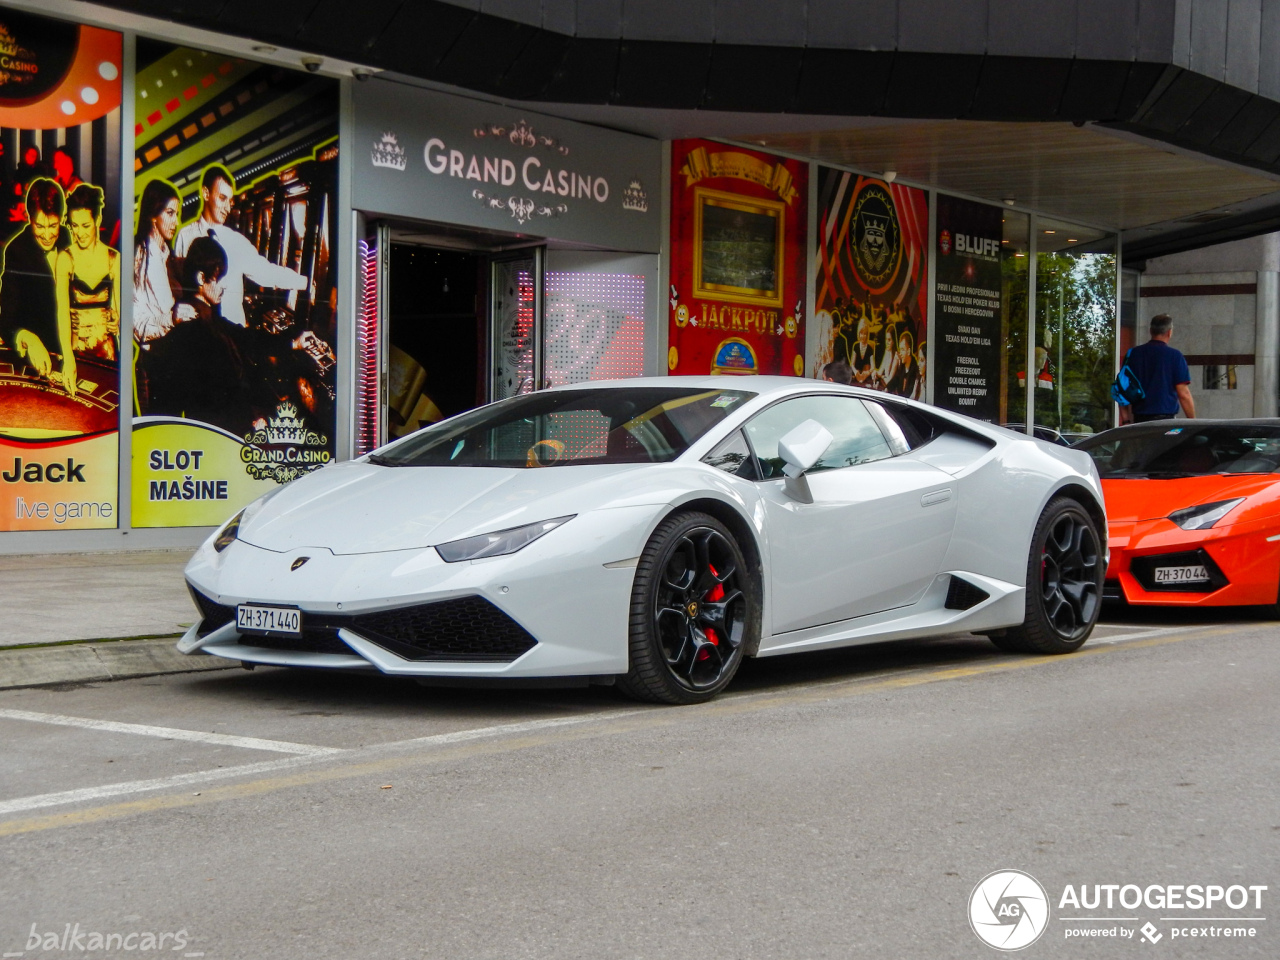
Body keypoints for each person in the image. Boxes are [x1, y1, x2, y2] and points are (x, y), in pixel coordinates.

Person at [173, 165, 306, 328]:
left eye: (230, 201)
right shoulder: (184, 236)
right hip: (203, 333)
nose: (227, 208)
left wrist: (304, 283)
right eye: (222, 198)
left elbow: (267, 273)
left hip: (235, 337)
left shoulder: (235, 240)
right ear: (206, 194)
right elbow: (179, 287)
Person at [0, 179, 73, 387]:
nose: (48, 235)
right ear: (29, 219)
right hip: (39, 361)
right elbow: (6, 321)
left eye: (53, 225)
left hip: (75, 352)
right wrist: (27, 337)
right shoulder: (17, 251)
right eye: (40, 226)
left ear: (62, 219)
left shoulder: (69, 238)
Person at [55, 184, 120, 377]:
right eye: (74, 226)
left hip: (107, 354)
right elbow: (62, 315)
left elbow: (119, 311)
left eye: (85, 225)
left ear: (97, 220)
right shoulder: (65, 259)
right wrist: (68, 357)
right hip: (76, 353)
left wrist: (117, 320)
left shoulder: (113, 259)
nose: (79, 233)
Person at [132, 178, 190, 345]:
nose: (176, 222)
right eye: (170, 213)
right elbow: (137, 325)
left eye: (176, 214)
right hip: (156, 358)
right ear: (153, 215)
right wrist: (171, 319)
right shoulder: (139, 258)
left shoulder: (168, 257)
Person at [1119, 313, 1195, 423]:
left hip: (1139, 420)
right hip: (1165, 420)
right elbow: (1183, 394)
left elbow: (1122, 389)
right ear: (1169, 332)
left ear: (1150, 331)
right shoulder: (1175, 356)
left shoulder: (1133, 354)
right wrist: (1193, 421)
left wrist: (1125, 420)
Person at [885, 330, 922, 399]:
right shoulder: (902, 366)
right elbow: (896, 379)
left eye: (902, 349)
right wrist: (886, 389)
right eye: (900, 350)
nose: (900, 353)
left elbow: (909, 395)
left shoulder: (915, 371)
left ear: (908, 351)